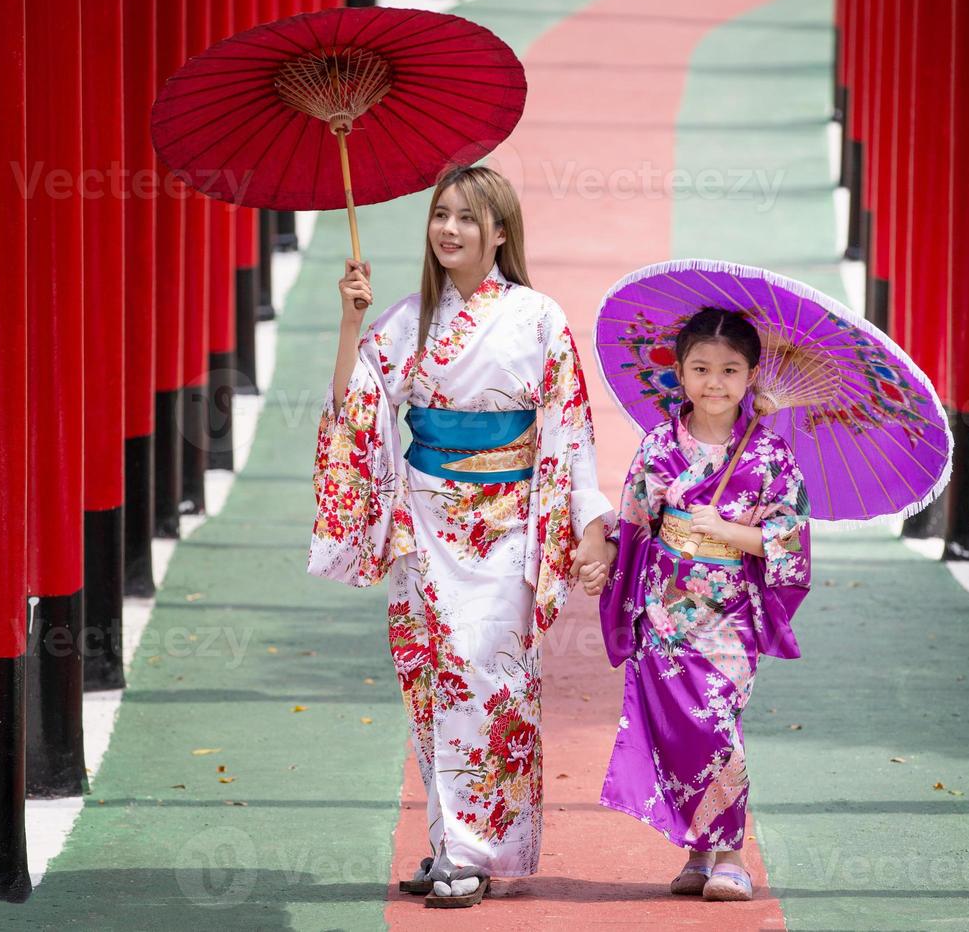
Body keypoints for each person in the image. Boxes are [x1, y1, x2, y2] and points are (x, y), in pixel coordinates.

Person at [308, 164, 615, 908]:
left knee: (488, 673)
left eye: (467, 218)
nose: (449, 229)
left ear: (501, 232)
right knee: (432, 681)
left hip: (508, 521)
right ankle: (450, 843)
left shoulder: (539, 317)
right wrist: (353, 319)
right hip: (424, 519)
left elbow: (569, 433)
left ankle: (477, 849)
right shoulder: (405, 320)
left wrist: (591, 526)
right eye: (440, 215)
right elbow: (356, 412)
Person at [579, 307, 812, 902]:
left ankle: (731, 852)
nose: (715, 383)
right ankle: (698, 850)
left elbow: (789, 542)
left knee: (716, 721)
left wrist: (729, 531)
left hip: (729, 616)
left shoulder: (771, 458)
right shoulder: (659, 447)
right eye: (701, 368)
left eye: (730, 370)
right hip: (663, 610)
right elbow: (633, 525)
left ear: (752, 376)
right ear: (679, 375)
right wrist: (602, 558)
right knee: (678, 729)